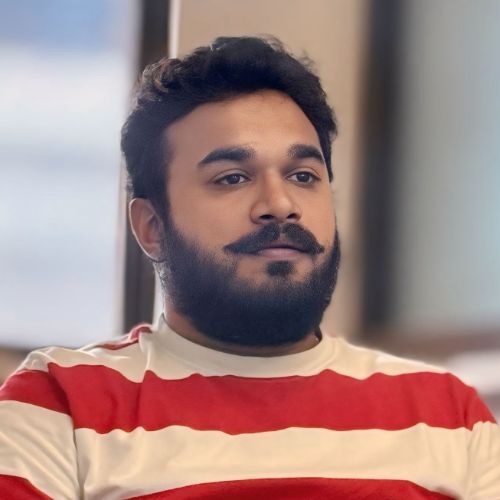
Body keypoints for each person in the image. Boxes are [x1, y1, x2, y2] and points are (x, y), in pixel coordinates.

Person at [0, 36, 498, 499]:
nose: (280, 205)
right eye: (232, 178)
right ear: (151, 227)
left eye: (303, 176)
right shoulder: (60, 403)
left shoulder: (451, 415)